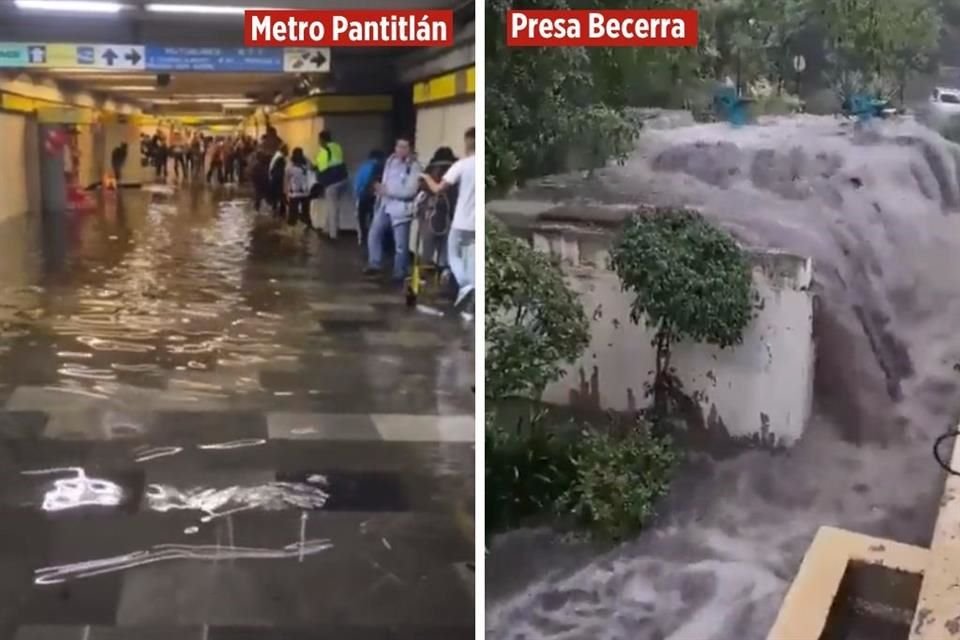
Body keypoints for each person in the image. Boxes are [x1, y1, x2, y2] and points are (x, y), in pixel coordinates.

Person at [420, 127, 475, 309]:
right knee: (471, 260)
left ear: (467, 143)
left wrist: (426, 177)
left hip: (460, 222)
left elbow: (437, 189)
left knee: (453, 256)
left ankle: (466, 286)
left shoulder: (462, 165)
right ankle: (470, 297)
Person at [364, 135, 421, 283]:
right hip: (385, 205)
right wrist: (379, 191)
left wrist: (388, 191)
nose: (400, 150)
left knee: (401, 244)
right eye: (398, 146)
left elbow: (410, 191)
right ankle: (374, 263)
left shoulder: (414, 167)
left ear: (410, 149)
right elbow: (385, 180)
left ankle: (399, 272)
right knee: (374, 233)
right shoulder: (390, 161)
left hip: (401, 209)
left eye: (404, 147)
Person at [417, 146, 458, 274]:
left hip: (430, 213)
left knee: (428, 247)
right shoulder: (456, 169)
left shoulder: (431, 169)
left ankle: (423, 273)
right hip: (451, 215)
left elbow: (422, 187)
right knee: (446, 247)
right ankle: (444, 272)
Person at [313, 130, 349, 240]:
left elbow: (321, 168)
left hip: (332, 182)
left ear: (322, 140)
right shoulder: (337, 147)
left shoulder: (324, 150)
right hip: (343, 179)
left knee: (333, 208)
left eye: (319, 140)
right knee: (332, 206)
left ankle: (333, 234)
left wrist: (314, 166)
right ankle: (326, 229)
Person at [353, 149, 385, 251]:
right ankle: (373, 242)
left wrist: (357, 194)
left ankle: (363, 240)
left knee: (361, 219)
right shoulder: (381, 167)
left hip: (362, 195)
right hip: (374, 197)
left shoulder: (363, 167)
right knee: (373, 219)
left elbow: (357, 183)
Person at [286, 147, 313, 228]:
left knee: (292, 214)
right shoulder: (306, 164)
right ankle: (307, 228)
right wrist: (305, 158)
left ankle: (291, 230)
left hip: (294, 193)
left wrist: (285, 191)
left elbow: (286, 179)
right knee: (306, 213)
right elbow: (312, 167)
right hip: (305, 192)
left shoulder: (290, 165)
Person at [269, 144, 289, 220]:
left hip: (274, 180)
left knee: (277, 197)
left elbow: (272, 170)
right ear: (284, 150)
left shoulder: (277, 156)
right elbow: (280, 172)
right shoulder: (280, 158)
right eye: (287, 150)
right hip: (278, 181)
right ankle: (282, 214)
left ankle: (276, 213)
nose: (288, 152)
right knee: (281, 197)